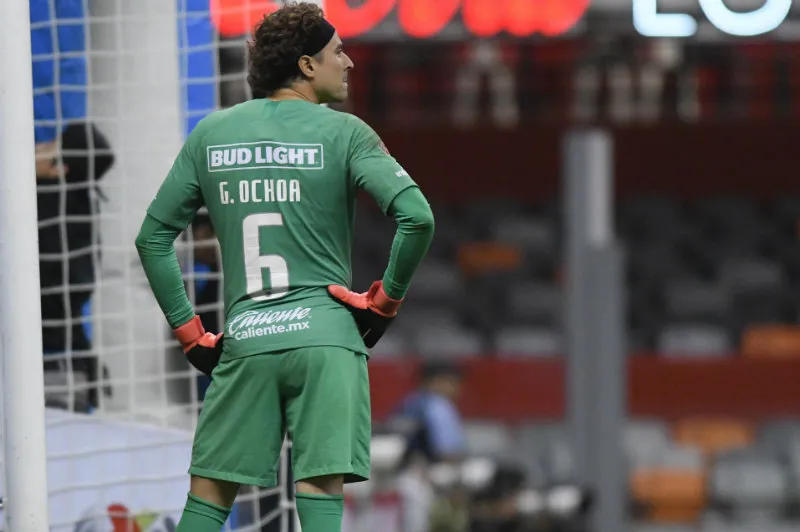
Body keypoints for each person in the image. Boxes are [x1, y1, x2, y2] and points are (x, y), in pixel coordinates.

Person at [134, 3, 435, 531]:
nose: (349, 63)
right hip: (326, 340)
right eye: (337, 52)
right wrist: (384, 304)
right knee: (318, 493)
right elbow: (418, 219)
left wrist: (190, 333)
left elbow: (152, 238)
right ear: (306, 65)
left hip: (246, 340)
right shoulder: (346, 133)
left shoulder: (212, 133)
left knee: (207, 503)